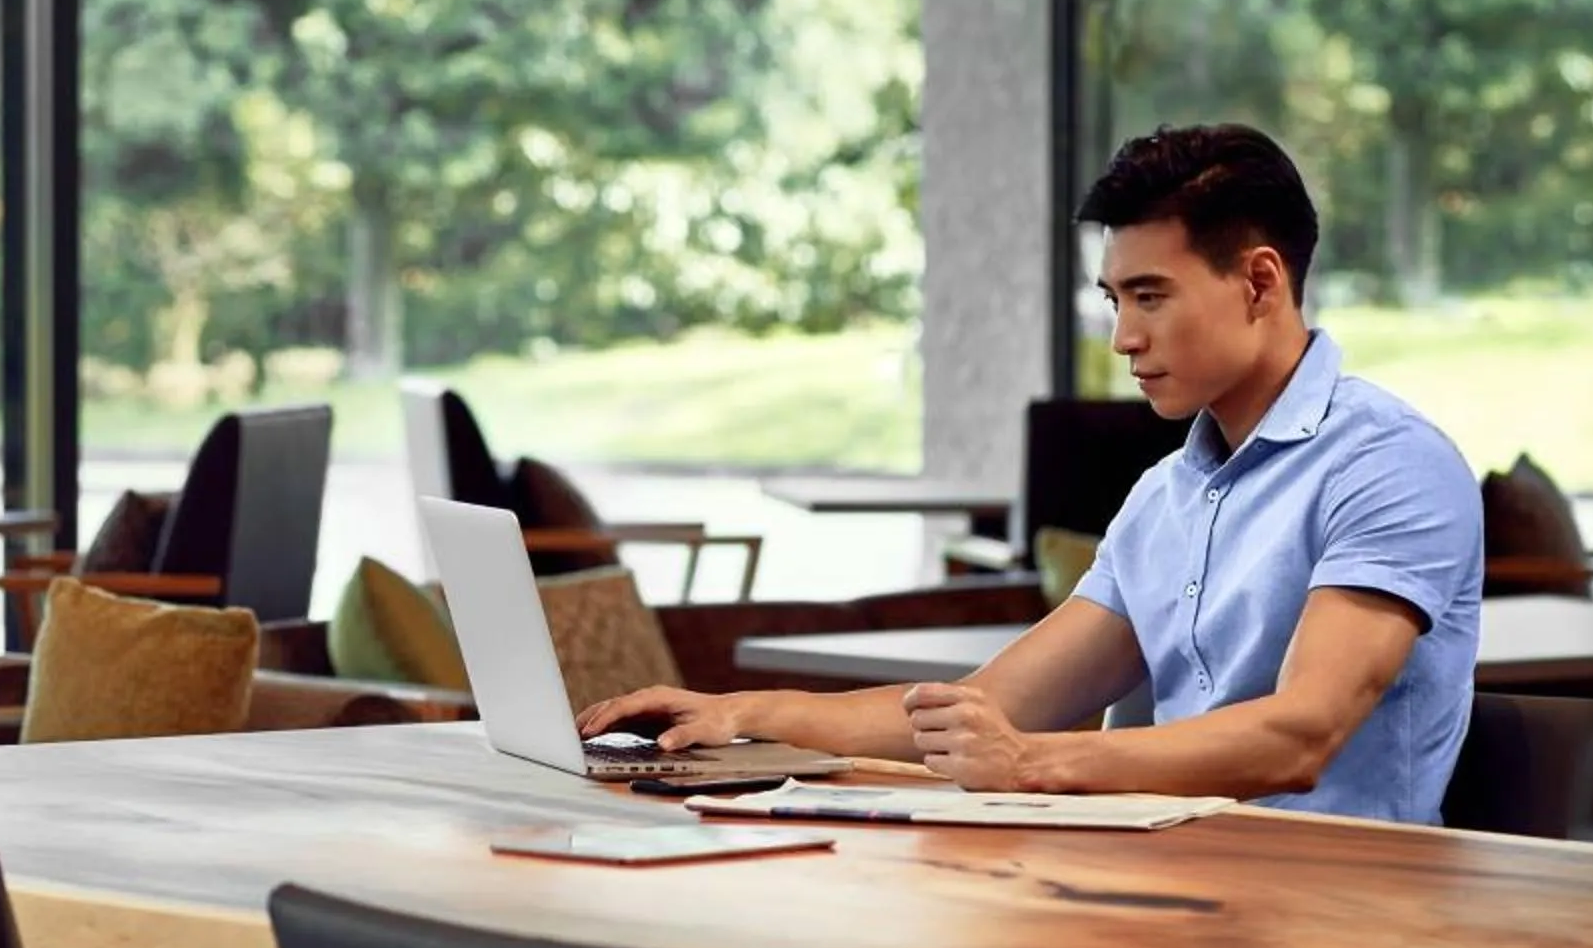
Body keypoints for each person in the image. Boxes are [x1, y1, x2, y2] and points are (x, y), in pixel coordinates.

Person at [582, 123, 1482, 825]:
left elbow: (1299, 736)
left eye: (1151, 296)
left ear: (1259, 282)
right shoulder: (1162, 497)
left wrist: (1036, 763)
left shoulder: (1389, 467)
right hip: (1170, 882)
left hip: (1338, 898)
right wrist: (746, 714)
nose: (1125, 337)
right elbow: (990, 708)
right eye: (1114, 300)